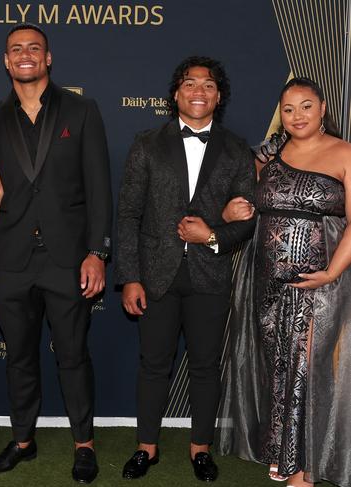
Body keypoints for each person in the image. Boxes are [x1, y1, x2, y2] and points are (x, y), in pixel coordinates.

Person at [0, 23, 112, 484]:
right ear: (6, 62)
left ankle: (84, 444)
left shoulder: (82, 110)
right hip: (11, 260)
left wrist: (97, 252)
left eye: (34, 48)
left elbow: (99, 189)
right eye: (16, 50)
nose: (25, 55)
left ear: (48, 58)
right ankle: (23, 441)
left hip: (68, 258)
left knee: (72, 355)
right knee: (19, 357)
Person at [115, 56, 256, 482]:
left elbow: (246, 220)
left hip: (209, 276)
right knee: (153, 364)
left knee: (205, 366)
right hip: (155, 276)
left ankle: (200, 449)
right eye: (190, 83)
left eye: (209, 85)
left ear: (219, 95)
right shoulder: (147, 143)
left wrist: (211, 235)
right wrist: (130, 277)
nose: (199, 91)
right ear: (176, 93)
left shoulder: (236, 149)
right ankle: (147, 447)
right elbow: (128, 215)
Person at [217, 77, 351, 487]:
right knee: (278, 367)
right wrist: (229, 212)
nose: (298, 116)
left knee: (308, 369)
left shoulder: (344, 153)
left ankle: (305, 470)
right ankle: (285, 456)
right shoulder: (268, 155)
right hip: (267, 281)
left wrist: (331, 273)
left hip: (320, 282)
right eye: (289, 109)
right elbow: (241, 202)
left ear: (323, 108)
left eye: (306, 106)